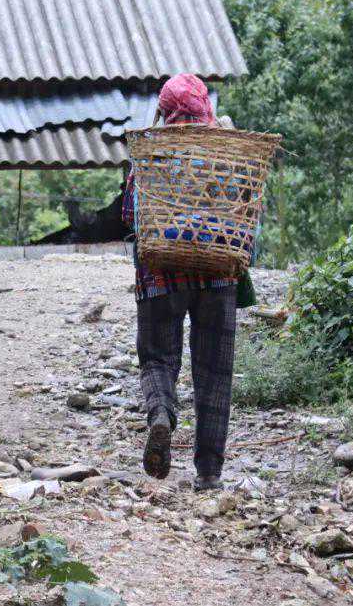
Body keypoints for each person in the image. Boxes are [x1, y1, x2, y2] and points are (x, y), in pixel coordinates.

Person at [121, 73, 238, 491]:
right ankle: (209, 473)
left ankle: (160, 415)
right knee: (214, 371)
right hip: (218, 271)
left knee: (157, 358)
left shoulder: (148, 152)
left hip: (160, 273)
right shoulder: (230, 152)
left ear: (165, 110)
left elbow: (129, 216)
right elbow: (245, 209)